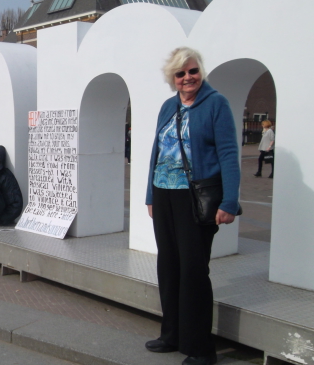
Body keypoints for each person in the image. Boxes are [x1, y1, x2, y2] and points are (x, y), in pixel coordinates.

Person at [145, 47, 240, 365]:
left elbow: (228, 154)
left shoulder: (216, 104)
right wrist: (149, 195)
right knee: (168, 266)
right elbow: (156, 153)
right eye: (180, 73)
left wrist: (229, 201)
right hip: (164, 194)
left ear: (201, 71)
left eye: (192, 70)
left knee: (194, 271)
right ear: (172, 78)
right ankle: (171, 334)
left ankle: (200, 348)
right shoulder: (167, 106)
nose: (188, 77)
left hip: (195, 198)